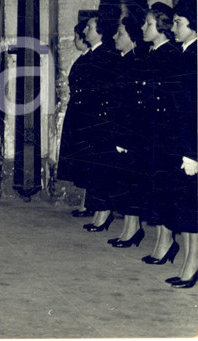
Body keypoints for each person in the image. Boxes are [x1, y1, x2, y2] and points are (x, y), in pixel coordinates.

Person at [138, 2, 181, 265]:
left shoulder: (171, 56)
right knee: (156, 187)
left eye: (149, 24)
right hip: (151, 132)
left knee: (165, 188)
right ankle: (162, 241)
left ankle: (166, 243)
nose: (143, 28)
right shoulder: (153, 53)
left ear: (162, 27)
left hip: (166, 135)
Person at [105, 14, 148, 249]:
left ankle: (133, 229)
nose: (115, 36)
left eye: (120, 33)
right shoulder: (122, 60)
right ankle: (129, 228)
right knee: (124, 181)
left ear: (132, 38)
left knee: (131, 181)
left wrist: (124, 136)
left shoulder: (136, 63)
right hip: (119, 131)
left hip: (130, 133)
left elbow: (131, 106)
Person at [164, 0, 197, 288]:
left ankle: (192, 266)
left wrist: (192, 153)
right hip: (181, 143)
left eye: (178, 22)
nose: (173, 27)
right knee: (186, 208)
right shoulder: (185, 52)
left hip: (191, 147)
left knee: (192, 209)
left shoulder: (195, 55)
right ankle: (189, 263)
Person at [76, 14, 118, 232]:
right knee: (93, 167)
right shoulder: (93, 54)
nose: (85, 32)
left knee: (101, 168)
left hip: (99, 120)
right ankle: (98, 210)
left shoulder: (106, 55)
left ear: (100, 31)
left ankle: (104, 213)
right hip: (88, 119)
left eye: (89, 28)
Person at [56, 21, 93, 217]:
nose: (75, 41)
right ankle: (86, 203)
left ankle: (88, 204)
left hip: (82, 113)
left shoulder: (88, 60)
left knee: (85, 159)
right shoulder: (83, 58)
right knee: (80, 158)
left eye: (77, 37)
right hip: (77, 111)